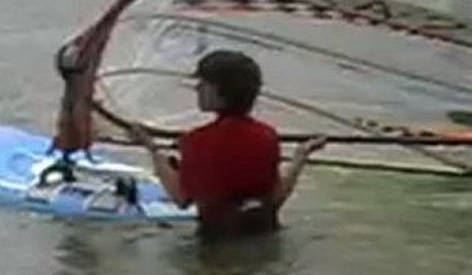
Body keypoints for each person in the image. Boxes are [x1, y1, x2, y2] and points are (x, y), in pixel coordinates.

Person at [130, 50, 326, 239]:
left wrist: (152, 148)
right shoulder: (267, 136)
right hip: (265, 239)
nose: (197, 88)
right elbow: (273, 200)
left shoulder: (196, 141)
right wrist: (301, 156)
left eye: (204, 83)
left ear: (221, 91)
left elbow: (181, 198)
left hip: (214, 250)